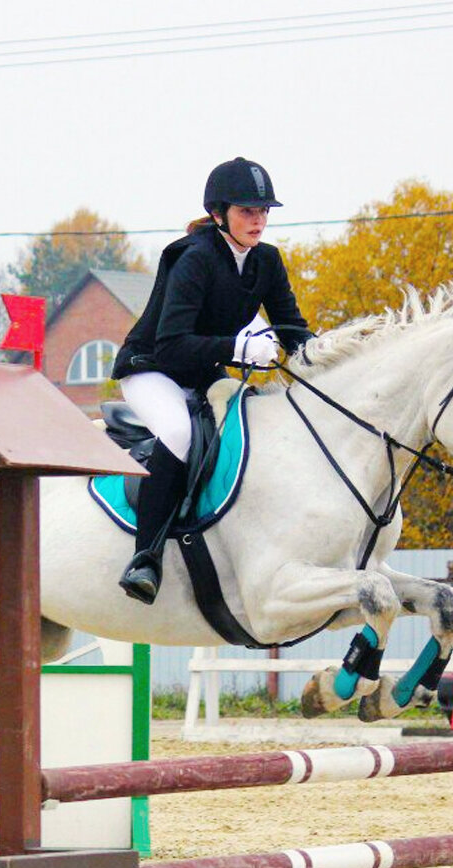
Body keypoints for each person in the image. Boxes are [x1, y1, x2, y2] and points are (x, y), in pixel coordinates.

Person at [112, 156, 314, 604]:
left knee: (252, 424)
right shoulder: (194, 258)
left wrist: (328, 357)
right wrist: (237, 350)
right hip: (151, 369)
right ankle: (145, 558)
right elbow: (171, 344)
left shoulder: (267, 261)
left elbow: (292, 328)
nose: (258, 220)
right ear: (220, 214)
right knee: (182, 432)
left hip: (202, 373)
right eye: (247, 211)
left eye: (263, 212)